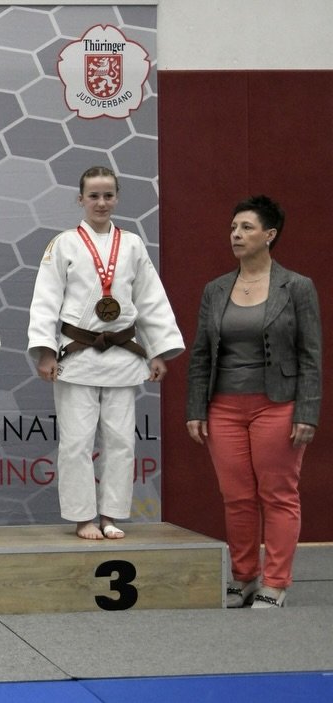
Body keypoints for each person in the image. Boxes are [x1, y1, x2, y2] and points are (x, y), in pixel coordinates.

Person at [27, 166, 184, 541]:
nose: (101, 202)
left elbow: (151, 300)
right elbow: (45, 301)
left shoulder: (132, 244)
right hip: (76, 354)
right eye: (94, 196)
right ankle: (83, 517)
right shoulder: (63, 244)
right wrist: (46, 352)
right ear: (80, 199)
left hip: (122, 355)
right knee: (77, 442)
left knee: (121, 441)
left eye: (108, 195)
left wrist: (157, 351)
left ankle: (111, 515)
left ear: (117, 198)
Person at [186, 195, 320, 609]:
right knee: (236, 496)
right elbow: (201, 354)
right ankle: (244, 577)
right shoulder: (216, 289)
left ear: (270, 235)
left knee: (278, 494)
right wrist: (196, 408)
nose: (236, 235)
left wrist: (307, 412)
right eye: (233, 228)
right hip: (223, 408)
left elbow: (310, 355)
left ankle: (276, 582)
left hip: (277, 405)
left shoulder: (296, 287)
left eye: (246, 228)